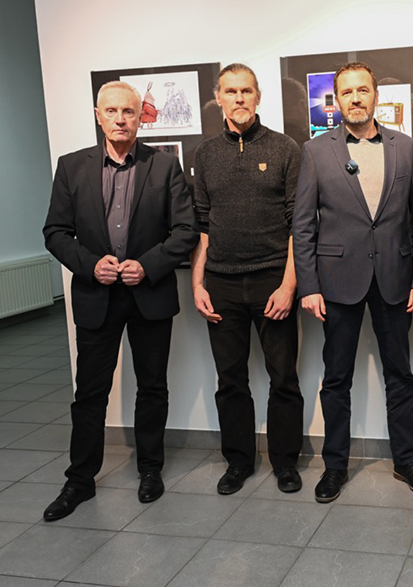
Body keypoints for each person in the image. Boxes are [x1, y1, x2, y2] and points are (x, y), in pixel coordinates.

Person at [42, 81, 198, 520]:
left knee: (152, 387)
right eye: (111, 111)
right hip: (97, 296)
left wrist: (147, 265)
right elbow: (55, 232)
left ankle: (150, 469)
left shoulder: (164, 166)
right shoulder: (71, 167)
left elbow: (186, 231)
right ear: (98, 116)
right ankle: (79, 480)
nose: (120, 119)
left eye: (128, 111)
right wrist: (91, 265)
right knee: (90, 393)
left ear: (140, 117)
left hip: (149, 295)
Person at [293, 61, 413, 503]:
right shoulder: (316, 151)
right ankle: (334, 466)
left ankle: (407, 461)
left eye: (363, 90)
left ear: (376, 96)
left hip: (395, 279)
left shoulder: (408, 148)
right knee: (336, 379)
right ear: (336, 101)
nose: (355, 98)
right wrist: (309, 286)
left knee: (401, 375)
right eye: (347, 92)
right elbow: (303, 225)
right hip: (337, 282)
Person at [191, 63, 304, 495]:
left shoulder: (284, 148)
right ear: (218, 98)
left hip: (272, 280)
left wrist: (289, 285)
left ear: (258, 97)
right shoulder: (205, 154)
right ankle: (238, 462)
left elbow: (298, 224)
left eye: (246, 91)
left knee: (283, 378)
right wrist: (198, 284)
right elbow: (203, 226)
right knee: (230, 380)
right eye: (230, 91)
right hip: (220, 284)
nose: (239, 98)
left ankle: (285, 462)